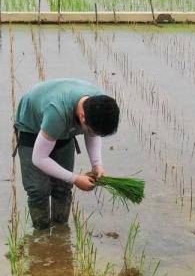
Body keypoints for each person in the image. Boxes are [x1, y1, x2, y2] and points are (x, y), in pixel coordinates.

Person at [15, 79, 120, 230]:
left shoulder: (99, 104)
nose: (92, 134)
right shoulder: (57, 112)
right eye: (90, 130)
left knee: (63, 187)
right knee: (38, 190)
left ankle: (60, 233)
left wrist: (97, 165)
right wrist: (76, 178)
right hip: (31, 127)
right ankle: (42, 235)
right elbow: (39, 158)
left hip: (62, 126)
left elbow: (93, 134)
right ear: (82, 116)